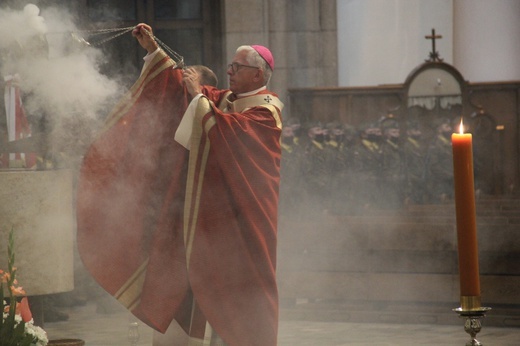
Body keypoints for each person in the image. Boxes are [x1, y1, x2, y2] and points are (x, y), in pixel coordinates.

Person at [76, 22, 283, 346]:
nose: (229, 71)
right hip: (212, 223)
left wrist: (198, 95)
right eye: (230, 65)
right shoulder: (228, 98)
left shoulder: (266, 113)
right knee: (196, 284)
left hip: (243, 227)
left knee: (241, 303)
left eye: (237, 67)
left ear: (258, 75)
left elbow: (228, 130)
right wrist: (153, 50)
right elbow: (190, 92)